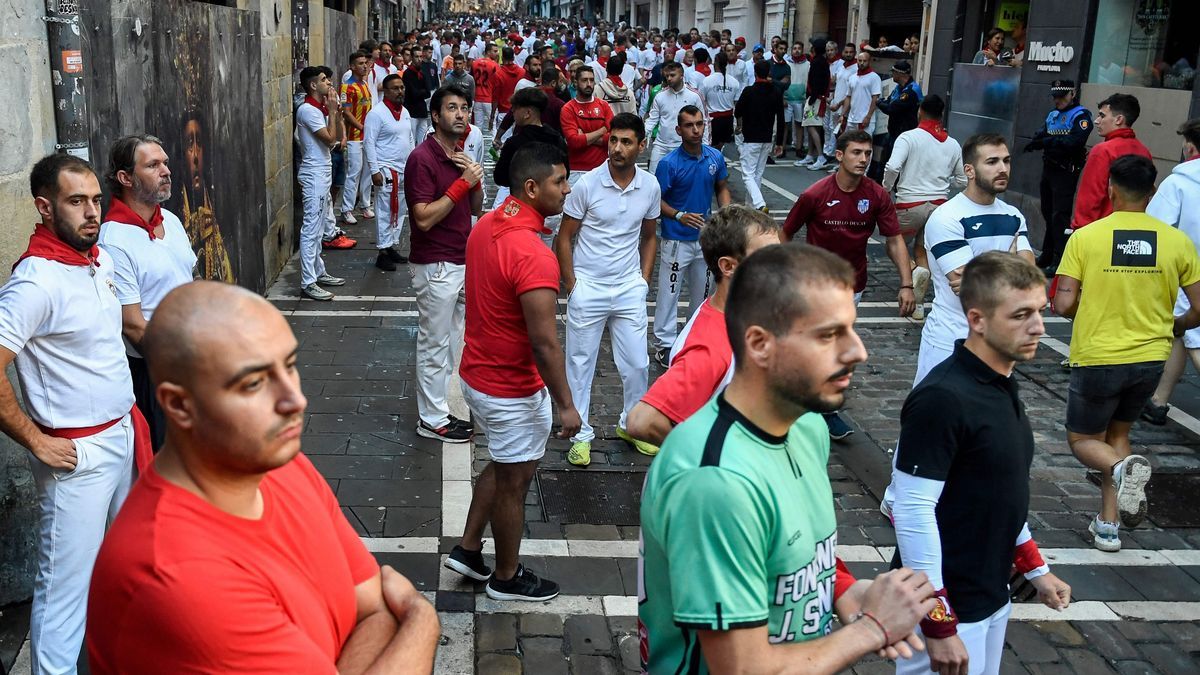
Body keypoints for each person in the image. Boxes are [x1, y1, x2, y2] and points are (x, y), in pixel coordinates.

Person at [86, 282, 440, 673]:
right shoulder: (178, 574)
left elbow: (374, 609)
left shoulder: (281, 466)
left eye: (289, 365)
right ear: (179, 405)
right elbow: (388, 612)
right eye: (254, 383)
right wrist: (422, 619)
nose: (294, 400)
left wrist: (390, 627)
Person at [639, 243, 937, 675]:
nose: (858, 351)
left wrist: (848, 592)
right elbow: (744, 670)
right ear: (759, 344)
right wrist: (872, 628)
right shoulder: (715, 482)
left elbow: (798, 552)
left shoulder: (808, 426)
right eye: (828, 335)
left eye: (852, 330)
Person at [891, 252, 1072, 675]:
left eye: (1040, 312)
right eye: (1021, 315)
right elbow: (912, 508)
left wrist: (1036, 568)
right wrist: (938, 622)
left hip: (991, 591)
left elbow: (998, 489)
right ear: (977, 319)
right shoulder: (942, 398)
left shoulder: (1001, 382)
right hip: (949, 602)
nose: (1039, 328)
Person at [0, 154, 145, 675]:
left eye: (96, 201)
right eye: (76, 201)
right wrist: (36, 441)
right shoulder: (35, 282)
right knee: (64, 591)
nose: (92, 212)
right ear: (44, 207)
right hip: (76, 457)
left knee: (126, 568)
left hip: (123, 436)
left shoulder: (98, 259)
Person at [445, 143, 581, 602]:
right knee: (514, 483)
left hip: (479, 375)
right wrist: (566, 405)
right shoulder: (534, 255)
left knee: (504, 465)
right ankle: (506, 577)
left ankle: (467, 549)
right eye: (559, 182)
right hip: (508, 387)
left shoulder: (487, 225)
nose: (566, 189)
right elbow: (545, 343)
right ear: (531, 187)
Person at [1053, 155, 1200, 552]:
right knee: (1118, 434)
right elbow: (1199, 308)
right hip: (1150, 358)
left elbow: (1064, 304)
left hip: (1099, 356)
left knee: (1084, 441)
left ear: (1110, 189)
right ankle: (1108, 525)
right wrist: (1178, 326)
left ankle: (1121, 470)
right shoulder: (1177, 242)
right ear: (1152, 193)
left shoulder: (1086, 237)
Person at [783, 130, 915, 440]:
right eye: (857, 152)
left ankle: (824, 410)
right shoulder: (815, 194)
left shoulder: (877, 195)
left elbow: (894, 239)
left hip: (853, 286)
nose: (864, 159)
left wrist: (906, 283)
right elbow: (785, 233)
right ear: (840, 155)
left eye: (868, 154)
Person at [626, 205, 780, 447]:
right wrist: (714, 458)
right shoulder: (710, 348)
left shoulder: (737, 313)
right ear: (728, 266)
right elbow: (643, 421)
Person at [555, 113, 660, 466]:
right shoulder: (587, 185)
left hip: (629, 287)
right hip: (589, 287)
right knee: (580, 364)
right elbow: (564, 237)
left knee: (637, 364)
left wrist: (643, 280)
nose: (616, 147)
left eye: (626, 142)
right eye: (613, 140)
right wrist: (573, 286)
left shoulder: (649, 186)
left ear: (640, 146)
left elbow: (649, 236)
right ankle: (581, 434)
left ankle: (631, 425)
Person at [910, 133, 1035, 386]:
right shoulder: (947, 217)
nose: (1002, 169)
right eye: (992, 162)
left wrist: (984, 272)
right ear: (969, 170)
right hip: (950, 342)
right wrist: (1010, 263)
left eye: (1006, 161)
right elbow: (971, 290)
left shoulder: (1013, 215)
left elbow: (1030, 279)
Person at [99, 135, 196, 452]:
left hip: (190, 354)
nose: (166, 170)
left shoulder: (170, 219)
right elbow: (132, 324)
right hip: (158, 370)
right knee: (167, 465)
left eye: (165, 162)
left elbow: (188, 280)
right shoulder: (114, 240)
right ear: (126, 178)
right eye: (153, 165)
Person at [404, 85, 484, 443]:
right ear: (435, 116)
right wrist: (461, 185)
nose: (460, 114)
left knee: (452, 342)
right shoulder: (422, 159)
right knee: (434, 344)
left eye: (464, 108)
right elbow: (422, 218)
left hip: (460, 258)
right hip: (436, 264)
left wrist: (474, 180)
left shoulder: (459, 155)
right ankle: (431, 419)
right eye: (452, 108)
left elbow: (476, 208)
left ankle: (437, 408)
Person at [652, 105, 732, 367]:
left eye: (699, 124)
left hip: (705, 240)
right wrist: (678, 215)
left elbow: (721, 187)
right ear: (679, 130)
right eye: (689, 125)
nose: (696, 130)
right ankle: (664, 344)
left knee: (703, 293)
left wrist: (727, 213)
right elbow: (655, 200)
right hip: (676, 240)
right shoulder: (668, 164)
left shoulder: (714, 158)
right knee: (670, 292)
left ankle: (693, 339)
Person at [883, 95, 967, 321]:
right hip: (939, 207)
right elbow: (962, 180)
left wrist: (886, 189)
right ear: (941, 114)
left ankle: (911, 273)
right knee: (922, 250)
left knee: (894, 244)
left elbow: (892, 166)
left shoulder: (908, 137)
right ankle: (918, 306)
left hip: (910, 204)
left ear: (920, 111)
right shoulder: (952, 143)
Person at [1144, 119, 1200, 424]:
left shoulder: (1179, 183)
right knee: (1180, 333)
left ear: (1190, 146)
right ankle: (1158, 400)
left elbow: (1156, 230)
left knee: (1194, 336)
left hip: (1187, 274)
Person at [1024, 80, 1092, 273]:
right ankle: (1047, 254)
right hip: (1049, 169)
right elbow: (1040, 135)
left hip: (1066, 170)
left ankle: (1060, 259)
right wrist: (1041, 141)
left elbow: (1074, 142)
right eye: (1055, 96)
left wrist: (1047, 142)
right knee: (1048, 212)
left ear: (1073, 94)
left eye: (1062, 96)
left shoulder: (1081, 116)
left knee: (1060, 216)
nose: (1057, 100)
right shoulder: (1053, 115)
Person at [295, 66, 348, 301]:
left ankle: (318, 271)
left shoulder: (318, 108)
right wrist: (334, 111)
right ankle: (308, 281)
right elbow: (330, 140)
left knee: (319, 228)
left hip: (322, 172)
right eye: (324, 80)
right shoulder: (308, 110)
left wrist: (333, 111)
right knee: (311, 229)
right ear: (313, 85)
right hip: (314, 174)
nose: (329, 83)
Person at [494, 86, 570, 240]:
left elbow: (500, 177)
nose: (512, 112)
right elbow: (565, 171)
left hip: (523, 210)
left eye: (515, 109)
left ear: (527, 113)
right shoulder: (557, 138)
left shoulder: (514, 143)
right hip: (551, 207)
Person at [1070, 93, 1152, 230]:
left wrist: (1079, 231)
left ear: (1119, 119)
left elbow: (1090, 200)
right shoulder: (1144, 152)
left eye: (1102, 116)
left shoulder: (1103, 151)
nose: (1096, 121)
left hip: (1101, 233)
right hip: (1133, 233)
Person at [364, 73, 416, 272]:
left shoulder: (404, 112)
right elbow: (369, 143)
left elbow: (409, 138)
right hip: (386, 170)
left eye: (402, 87)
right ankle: (382, 252)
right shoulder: (376, 114)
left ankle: (391, 245)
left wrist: (413, 163)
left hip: (404, 169)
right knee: (385, 211)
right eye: (395, 88)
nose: (400, 91)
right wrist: (375, 170)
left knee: (400, 210)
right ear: (385, 91)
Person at [735, 59, 786, 212]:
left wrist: (740, 124)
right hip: (767, 137)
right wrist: (780, 143)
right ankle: (750, 206)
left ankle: (759, 203)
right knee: (757, 173)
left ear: (755, 73)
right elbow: (781, 118)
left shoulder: (749, 91)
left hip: (751, 137)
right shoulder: (776, 92)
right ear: (768, 73)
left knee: (747, 174)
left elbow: (738, 111)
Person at [646, 61, 705, 174]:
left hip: (684, 146)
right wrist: (642, 134)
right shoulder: (660, 96)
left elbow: (704, 121)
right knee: (654, 179)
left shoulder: (694, 96)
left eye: (672, 75)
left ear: (682, 76)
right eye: (667, 75)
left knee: (684, 180)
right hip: (661, 146)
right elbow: (652, 119)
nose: (669, 78)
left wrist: (705, 145)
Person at [339, 50, 375, 224]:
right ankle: (346, 209)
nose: (365, 66)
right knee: (354, 172)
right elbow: (346, 113)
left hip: (367, 136)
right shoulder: (347, 87)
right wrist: (362, 127)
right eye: (360, 63)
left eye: (365, 63)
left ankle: (365, 205)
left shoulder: (366, 84)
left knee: (368, 171)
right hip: (355, 137)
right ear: (352, 66)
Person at [560, 67, 613, 176]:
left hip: (602, 169)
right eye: (584, 80)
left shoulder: (604, 106)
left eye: (591, 80)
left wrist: (584, 136)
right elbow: (574, 142)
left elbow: (612, 138)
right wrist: (602, 130)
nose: (589, 84)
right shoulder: (568, 108)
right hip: (576, 170)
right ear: (575, 82)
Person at [818, 43, 857, 167]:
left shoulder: (855, 68)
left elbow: (851, 92)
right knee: (829, 128)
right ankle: (828, 153)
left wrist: (840, 103)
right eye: (846, 52)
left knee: (840, 133)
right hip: (834, 103)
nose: (848, 54)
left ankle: (836, 158)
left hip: (844, 106)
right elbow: (838, 85)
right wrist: (832, 99)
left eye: (851, 52)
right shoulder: (842, 67)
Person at [796, 40, 831, 169]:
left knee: (810, 125)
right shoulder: (822, 62)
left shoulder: (817, 63)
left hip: (815, 99)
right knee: (813, 126)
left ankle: (820, 156)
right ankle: (810, 155)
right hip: (818, 98)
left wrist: (812, 98)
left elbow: (816, 82)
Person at [702, 50, 740, 151]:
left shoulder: (707, 81)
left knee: (711, 146)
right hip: (728, 120)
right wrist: (739, 124)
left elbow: (702, 101)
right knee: (719, 146)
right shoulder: (734, 82)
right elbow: (737, 105)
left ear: (716, 63)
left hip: (712, 120)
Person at [844, 52, 882, 136]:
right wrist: (843, 115)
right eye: (860, 60)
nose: (861, 63)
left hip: (866, 120)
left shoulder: (874, 77)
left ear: (869, 62)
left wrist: (868, 117)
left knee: (865, 146)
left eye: (864, 61)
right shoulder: (852, 77)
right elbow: (848, 97)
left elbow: (875, 98)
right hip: (852, 119)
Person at [784, 40, 810, 160]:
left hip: (800, 99)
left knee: (799, 124)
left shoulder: (807, 64)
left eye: (799, 48)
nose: (797, 50)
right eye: (794, 48)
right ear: (791, 50)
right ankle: (782, 148)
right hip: (787, 98)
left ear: (802, 50)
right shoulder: (786, 63)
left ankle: (799, 148)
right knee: (785, 124)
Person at [402, 51, 433, 142]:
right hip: (411, 111)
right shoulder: (407, 73)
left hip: (421, 111)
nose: (419, 59)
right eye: (416, 56)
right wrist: (421, 91)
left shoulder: (422, 73)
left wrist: (420, 92)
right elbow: (412, 93)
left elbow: (428, 92)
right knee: (411, 139)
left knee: (422, 139)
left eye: (420, 56)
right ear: (412, 57)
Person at [471, 42, 500, 130]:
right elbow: (498, 83)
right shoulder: (494, 65)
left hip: (477, 98)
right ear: (488, 52)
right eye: (494, 51)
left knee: (477, 126)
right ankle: (494, 143)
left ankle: (476, 143)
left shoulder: (475, 63)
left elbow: (471, 79)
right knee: (493, 125)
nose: (497, 53)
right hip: (489, 98)